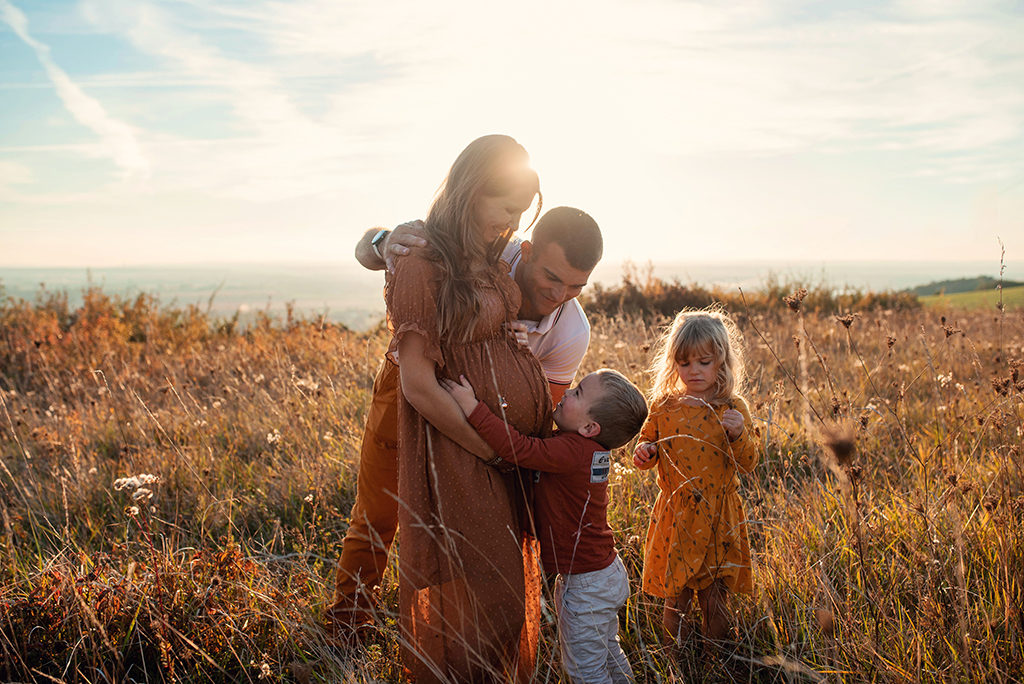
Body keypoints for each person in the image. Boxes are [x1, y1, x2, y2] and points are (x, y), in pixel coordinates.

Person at [327, 205, 602, 636]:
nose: (559, 294)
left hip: (482, 427)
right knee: (377, 512)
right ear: (525, 251)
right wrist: (382, 241)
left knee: (469, 531)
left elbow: (542, 416)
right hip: (410, 387)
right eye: (552, 277)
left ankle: (461, 635)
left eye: (576, 286)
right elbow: (373, 248)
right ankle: (346, 625)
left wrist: (520, 363)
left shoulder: (571, 332)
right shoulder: (489, 244)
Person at [441, 368, 647, 684]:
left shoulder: (572, 451)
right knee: (607, 651)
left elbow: (520, 449)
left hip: (587, 585)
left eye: (577, 393)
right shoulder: (587, 449)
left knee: (584, 670)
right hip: (602, 574)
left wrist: (472, 408)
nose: (566, 392)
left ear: (590, 427)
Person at [631, 309, 759, 646]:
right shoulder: (663, 406)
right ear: (674, 362)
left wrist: (738, 435)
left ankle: (715, 661)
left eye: (704, 362)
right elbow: (646, 444)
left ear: (721, 361)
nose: (694, 371)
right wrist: (645, 452)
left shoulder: (731, 407)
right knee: (677, 599)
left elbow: (749, 463)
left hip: (719, 517)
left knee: (716, 600)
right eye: (685, 363)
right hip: (677, 516)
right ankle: (678, 661)